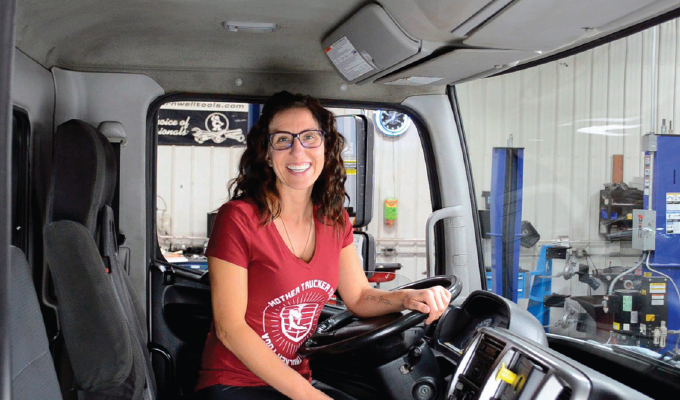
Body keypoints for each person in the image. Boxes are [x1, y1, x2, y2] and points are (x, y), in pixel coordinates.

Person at [193, 91, 452, 400]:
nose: (298, 151)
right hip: (233, 382)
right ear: (266, 153)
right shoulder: (239, 218)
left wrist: (408, 298)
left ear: (326, 146)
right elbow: (230, 330)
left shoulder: (335, 220)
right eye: (283, 140)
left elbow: (358, 297)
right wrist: (310, 396)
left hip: (296, 380)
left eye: (309, 137)